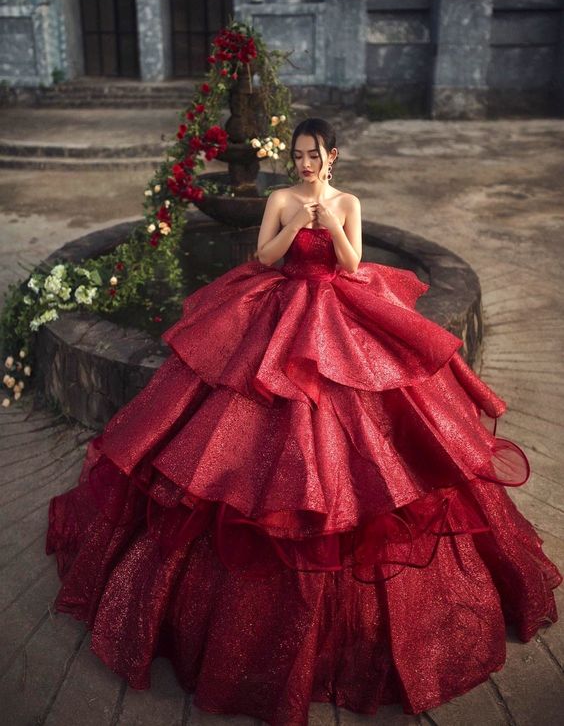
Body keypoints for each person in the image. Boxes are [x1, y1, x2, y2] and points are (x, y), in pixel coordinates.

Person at [46, 118, 562, 725]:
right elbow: (264, 256)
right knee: (247, 413)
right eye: (297, 156)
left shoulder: (348, 201)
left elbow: (353, 263)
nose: (304, 164)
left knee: (365, 411)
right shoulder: (279, 198)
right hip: (281, 301)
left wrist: (329, 220)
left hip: (337, 304)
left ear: (332, 156)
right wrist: (295, 220)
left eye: (313, 155)